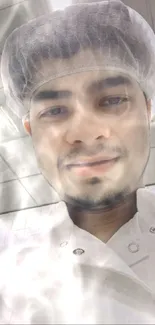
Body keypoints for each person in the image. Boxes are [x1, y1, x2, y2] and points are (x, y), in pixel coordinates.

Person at [1, 0, 155, 323]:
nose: (85, 133)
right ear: (31, 130)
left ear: (148, 109)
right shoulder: (10, 276)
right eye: (55, 111)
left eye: (112, 100)